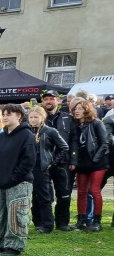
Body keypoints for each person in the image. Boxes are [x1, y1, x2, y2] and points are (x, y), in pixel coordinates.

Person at [0, 103, 35, 256]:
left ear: (19, 116)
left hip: (19, 182)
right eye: (4, 114)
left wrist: (14, 177)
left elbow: (28, 160)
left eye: (9, 114)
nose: (5, 117)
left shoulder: (27, 135)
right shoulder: (0, 137)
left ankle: (14, 246)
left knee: (16, 213)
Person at [69, 98, 109, 232]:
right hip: (82, 162)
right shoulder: (75, 125)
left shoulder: (96, 123)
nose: (76, 111)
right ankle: (81, 219)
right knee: (81, 192)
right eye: (74, 109)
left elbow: (105, 143)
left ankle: (97, 221)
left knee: (94, 190)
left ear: (87, 109)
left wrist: (95, 159)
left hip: (97, 162)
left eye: (79, 108)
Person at [27, 106, 68, 235]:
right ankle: (37, 221)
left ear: (42, 117)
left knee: (44, 196)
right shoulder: (26, 131)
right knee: (33, 196)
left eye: (36, 117)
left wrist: (53, 162)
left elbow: (64, 147)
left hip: (41, 167)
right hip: (28, 167)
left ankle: (48, 224)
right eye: (31, 117)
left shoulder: (50, 131)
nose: (33, 120)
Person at [41, 89, 75, 231]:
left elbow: (73, 141)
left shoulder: (68, 118)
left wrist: (74, 160)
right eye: (46, 99)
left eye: (52, 98)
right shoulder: (39, 117)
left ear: (58, 101)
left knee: (64, 193)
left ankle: (62, 223)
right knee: (42, 194)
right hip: (44, 162)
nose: (49, 101)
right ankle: (42, 223)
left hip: (63, 161)